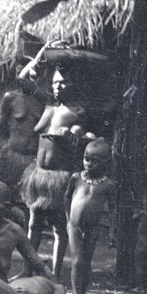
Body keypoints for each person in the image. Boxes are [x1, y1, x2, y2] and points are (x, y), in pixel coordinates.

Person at [20, 65, 92, 278]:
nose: (58, 87)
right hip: (39, 174)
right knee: (33, 224)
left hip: (60, 176)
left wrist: (75, 135)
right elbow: (22, 79)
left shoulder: (78, 112)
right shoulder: (48, 105)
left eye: (63, 82)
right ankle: (27, 269)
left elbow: (84, 140)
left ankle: (54, 274)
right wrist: (38, 59)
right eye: (55, 82)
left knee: (59, 228)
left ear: (74, 85)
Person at [63, 137, 117, 294]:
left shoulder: (108, 184)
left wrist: (112, 231)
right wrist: (67, 219)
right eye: (86, 158)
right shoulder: (77, 178)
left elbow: (113, 209)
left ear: (106, 163)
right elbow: (67, 198)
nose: (89, 163)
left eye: (95, 160)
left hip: (93, 228)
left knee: (86, 263)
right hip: (75, 226)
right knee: (77, 262)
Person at [0, 49, 47, 193]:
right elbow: (1, 129)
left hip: (34, 159)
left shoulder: (43, 100)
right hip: (14, 156)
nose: (21, 78)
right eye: (18, 73)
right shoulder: (10, 98)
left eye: (24, 74)